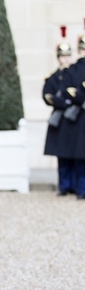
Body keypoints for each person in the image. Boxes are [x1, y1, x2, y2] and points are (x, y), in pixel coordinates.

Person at [42, 42, 76, 195]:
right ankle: (64, 185)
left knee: (74, 153)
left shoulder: (74, 73)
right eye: (63, 56)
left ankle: (74, 185)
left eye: (68, 56)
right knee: (61, 154)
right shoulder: (54, 77)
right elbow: (48, 96)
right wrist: (64, 101)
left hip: (73, 118)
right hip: (60, 118)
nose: (66, 59)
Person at [65, 34, 85, 199]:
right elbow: (70, 92)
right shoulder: (73, 70)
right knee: (80, 155)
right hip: (80, 117)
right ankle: (81, 188)